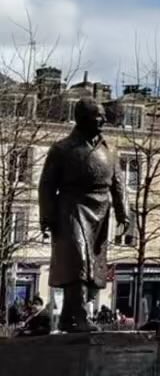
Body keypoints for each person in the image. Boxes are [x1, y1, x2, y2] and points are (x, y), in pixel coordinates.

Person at [37, 97, 128, 332]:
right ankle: (79, 315)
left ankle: (69, 316)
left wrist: (123, 213)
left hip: (100, 209)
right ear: (82, 118)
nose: (103, 120)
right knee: (78, 260)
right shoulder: (62, 148)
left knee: (93, 266)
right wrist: (47, 215)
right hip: (72, 205)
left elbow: (118, 184)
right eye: (97, 115)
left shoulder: (110, 150)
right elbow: (46, 184)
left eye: (103, 116)